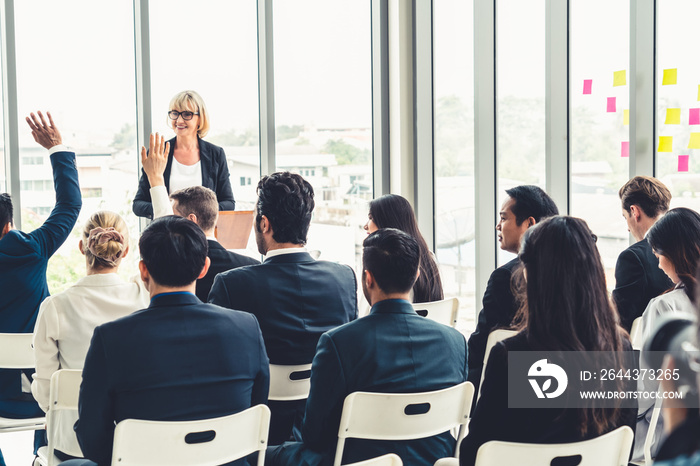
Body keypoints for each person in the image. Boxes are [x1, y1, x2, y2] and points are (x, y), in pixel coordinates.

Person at [68, 216, 269, 466]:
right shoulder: (247, 328)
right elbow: (257, 411)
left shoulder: (110, 338)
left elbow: (91, 436)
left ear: (143, 271)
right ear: (204, 268)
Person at [266, 228, 468, 466]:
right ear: (415, 275)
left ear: (367, 278)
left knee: (261, 453)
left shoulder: (338, 343)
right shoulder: (456, 342)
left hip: (357, 461)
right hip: (434, 459)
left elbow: (314, 435)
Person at [460, 216, 637, 466]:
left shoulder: (512, 356)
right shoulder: (620, 348)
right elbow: (625, 442)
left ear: (531, 275)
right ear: (594, 272)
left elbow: (476, 453)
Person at [209, 171, 357, 445]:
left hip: (254, 433)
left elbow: (216, 365)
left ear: (264, 223)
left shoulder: (232, 284)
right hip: (327, 433)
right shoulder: (344, 278)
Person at [31, 210, 148, 459]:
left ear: (82, 247)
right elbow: (167, 252)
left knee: (44, 429)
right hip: (132, 441)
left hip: (73, 445)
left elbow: (45, 393)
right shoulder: (142, 296)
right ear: (125, 251)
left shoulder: (55, 307)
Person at [0, 112, 81, 462]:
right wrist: (56, 148)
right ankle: (41, 455)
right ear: (9, 224)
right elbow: (69, 204)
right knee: (47, 371)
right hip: (39, 397)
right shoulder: (33, 248)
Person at [139, 132, 260, 300]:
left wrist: (156, 178)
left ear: (191, 221)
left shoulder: (175, 266)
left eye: (173, 217)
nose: (171, 224)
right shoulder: (252, 267)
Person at [466, 185, 558, 400]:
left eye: (504, 218)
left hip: (511, 391)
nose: (498, 226)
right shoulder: (579, 273)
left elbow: (482, 347)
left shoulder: (504, 278)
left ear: (530, 224)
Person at [634, 207, 700, 460]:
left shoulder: (665, 306)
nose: (659, 264)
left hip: (663, 433)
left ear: (675, 254)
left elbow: (646, 391)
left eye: (659, 255)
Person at [132, 90, 235, 219]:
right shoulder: (157, 154)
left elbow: (229, 203)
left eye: (187, 114)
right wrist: (169, 210)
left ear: (200, 119)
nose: (179, 120)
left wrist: (200, 212)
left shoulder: (216, 154)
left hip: (202, 234)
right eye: (175, 114)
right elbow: (138, 205)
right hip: (166, 231)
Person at [613, 176, 673, 331]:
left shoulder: (633, 258)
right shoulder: (687, 246)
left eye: (625, 217)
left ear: (634, 211)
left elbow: (621, 323)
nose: (628, 228)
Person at [364, 194, 443, 303]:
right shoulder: (430, 257)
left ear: (387, 221)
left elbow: (365, 316)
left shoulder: (382, 262)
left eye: (371, 218)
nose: (365, 226)